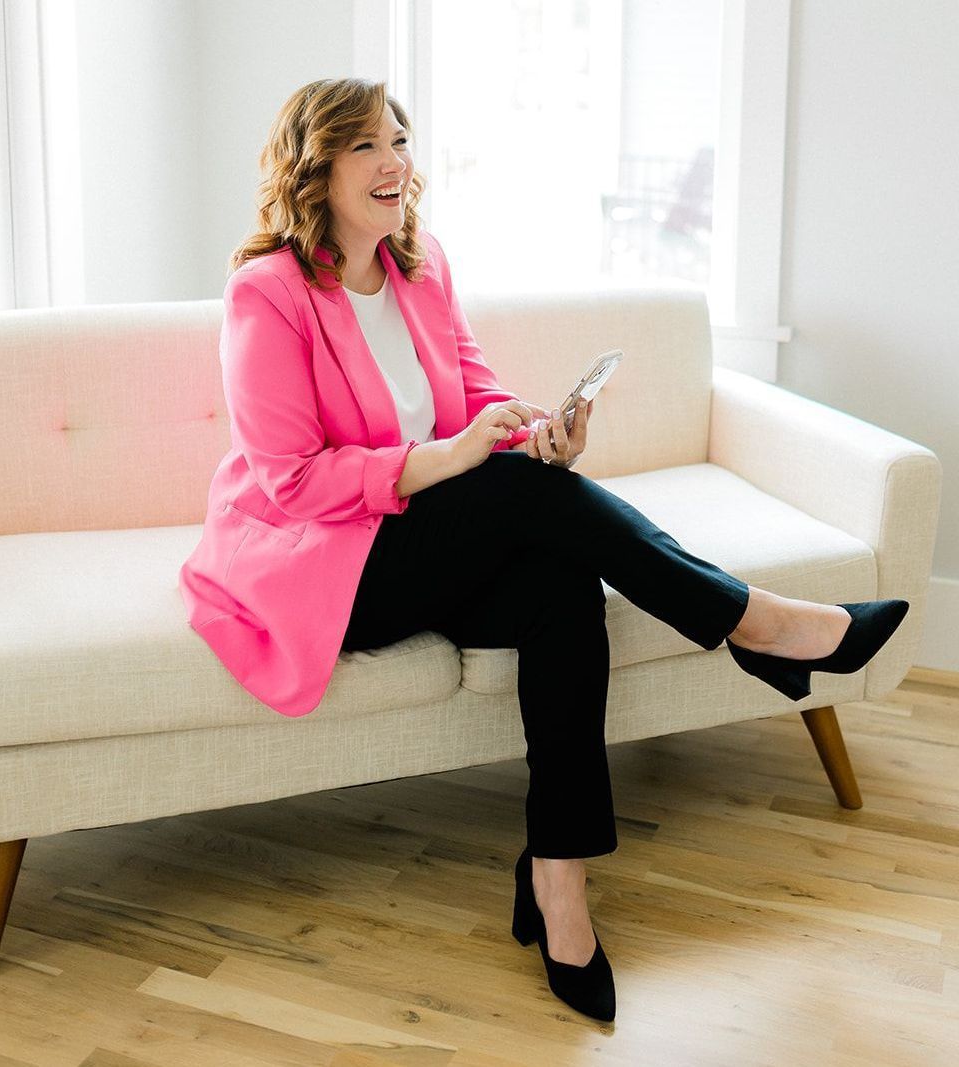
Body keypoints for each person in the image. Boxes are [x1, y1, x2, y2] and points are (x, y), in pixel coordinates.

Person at [179, 77, 909, 1023]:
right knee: (523, 499)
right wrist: (456, 459)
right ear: (314, 166)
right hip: (327, 565)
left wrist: (533, 431)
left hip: (429, 536)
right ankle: (757, 622)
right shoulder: (268, 292)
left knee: (562, 584)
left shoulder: (420, 264)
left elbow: (477, 393)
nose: (396, 162)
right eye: (367, 146)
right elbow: (291, 480)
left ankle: (557, 881)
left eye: (400, 140)